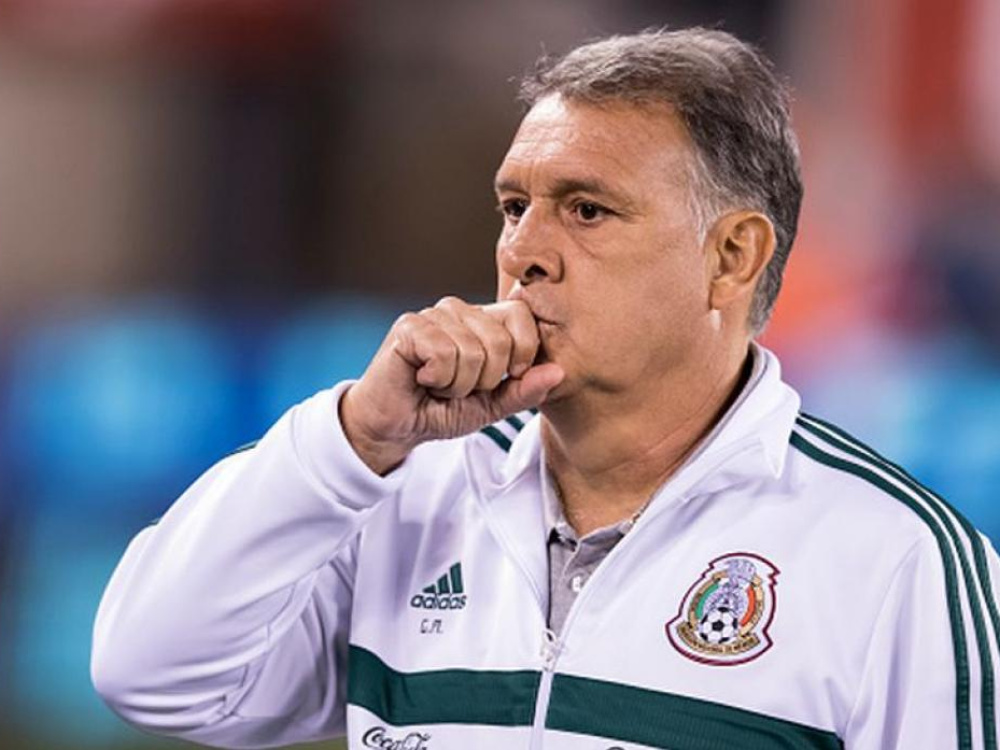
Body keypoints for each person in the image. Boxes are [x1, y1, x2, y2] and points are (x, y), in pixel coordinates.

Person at [91, 28, 1000, 750]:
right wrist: (355, 437)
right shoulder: (405, 491)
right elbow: (154, 676)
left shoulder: (898, 559)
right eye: (514, 207)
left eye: (586, 210)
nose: (523, 250)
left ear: (732, 257)